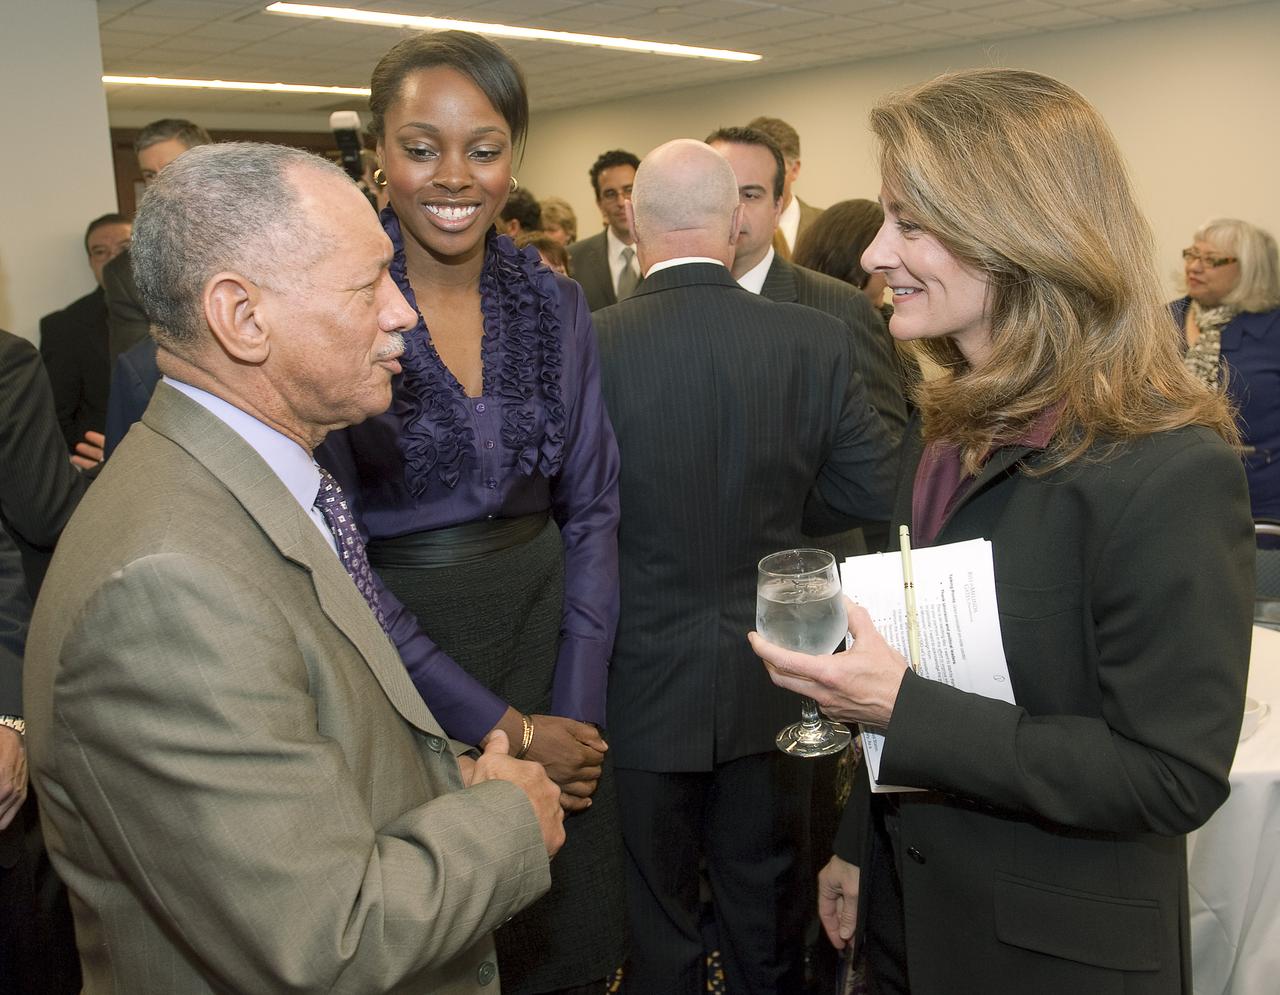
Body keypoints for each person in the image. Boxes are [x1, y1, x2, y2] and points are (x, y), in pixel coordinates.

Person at [748, 69, 1252, 995]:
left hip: (1055, 955)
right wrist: (857, 846)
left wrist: (902, 707)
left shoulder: (1167, 467)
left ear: (1021, 233)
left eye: (910, 222)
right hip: (913, 921)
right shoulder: (949, 432)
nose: (872, 252)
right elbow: (919, 661)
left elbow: (1171, 775)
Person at [24, 141, 564, 994]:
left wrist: (441, 775)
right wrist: (507, 818)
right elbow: (326, 935)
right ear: (242, 317)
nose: (404, 314)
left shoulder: (250, 481)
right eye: (368, 284)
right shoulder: (167, 584)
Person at [316, 31, 625, 995]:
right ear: (379, 155)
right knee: (442, 943)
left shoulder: (558, 303)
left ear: (512, 159)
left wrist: (569, 714)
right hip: (401, 674)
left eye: (483, 149)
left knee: (568, 946)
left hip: (554, 647)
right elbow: (336, 557)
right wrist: (505, 727)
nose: (454, 176)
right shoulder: (333, 311)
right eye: (420, 147)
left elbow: (595, 508)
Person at [594, 138, 897, 995]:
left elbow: (567, 513)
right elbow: (871, 487)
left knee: (657, 925)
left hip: (639, 681)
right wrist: (776, 518)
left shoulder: (588, 346)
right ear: (735, 224)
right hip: (782, 682)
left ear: (634, 223)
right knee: (769, 923)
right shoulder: (818, 338)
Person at [1171, 218, 1280, 523]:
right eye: (1192, 255)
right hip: (1171, 497)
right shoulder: (1160, 322)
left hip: (1259, 506)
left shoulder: (1273, 329)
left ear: (1249, 270)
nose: (1194, 267)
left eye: (1211, 260)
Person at [102, 118, 214, 364]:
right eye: (150, 175)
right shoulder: (124, 274)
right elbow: (138, 370)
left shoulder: (262, 235)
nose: (160, 184)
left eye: (172, 168)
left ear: (207, 166)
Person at [39, 213, 131, 449]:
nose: (113, 259)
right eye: (100, 252)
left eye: (125, 247)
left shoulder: (182, 309)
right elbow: (56, 416)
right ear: (90, 262)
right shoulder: (63, 327)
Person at [567, 149, 641, 310]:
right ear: (599, 204)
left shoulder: (664, 255)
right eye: (610, 194)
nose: (621, 202)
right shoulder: (572, 259)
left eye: (629, 190)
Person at [746, 115, 822, 255]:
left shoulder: (824, 226)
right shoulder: (727, 226)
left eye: (775, 172)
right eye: (753, 171)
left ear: (795, 170)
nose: (761, 183)